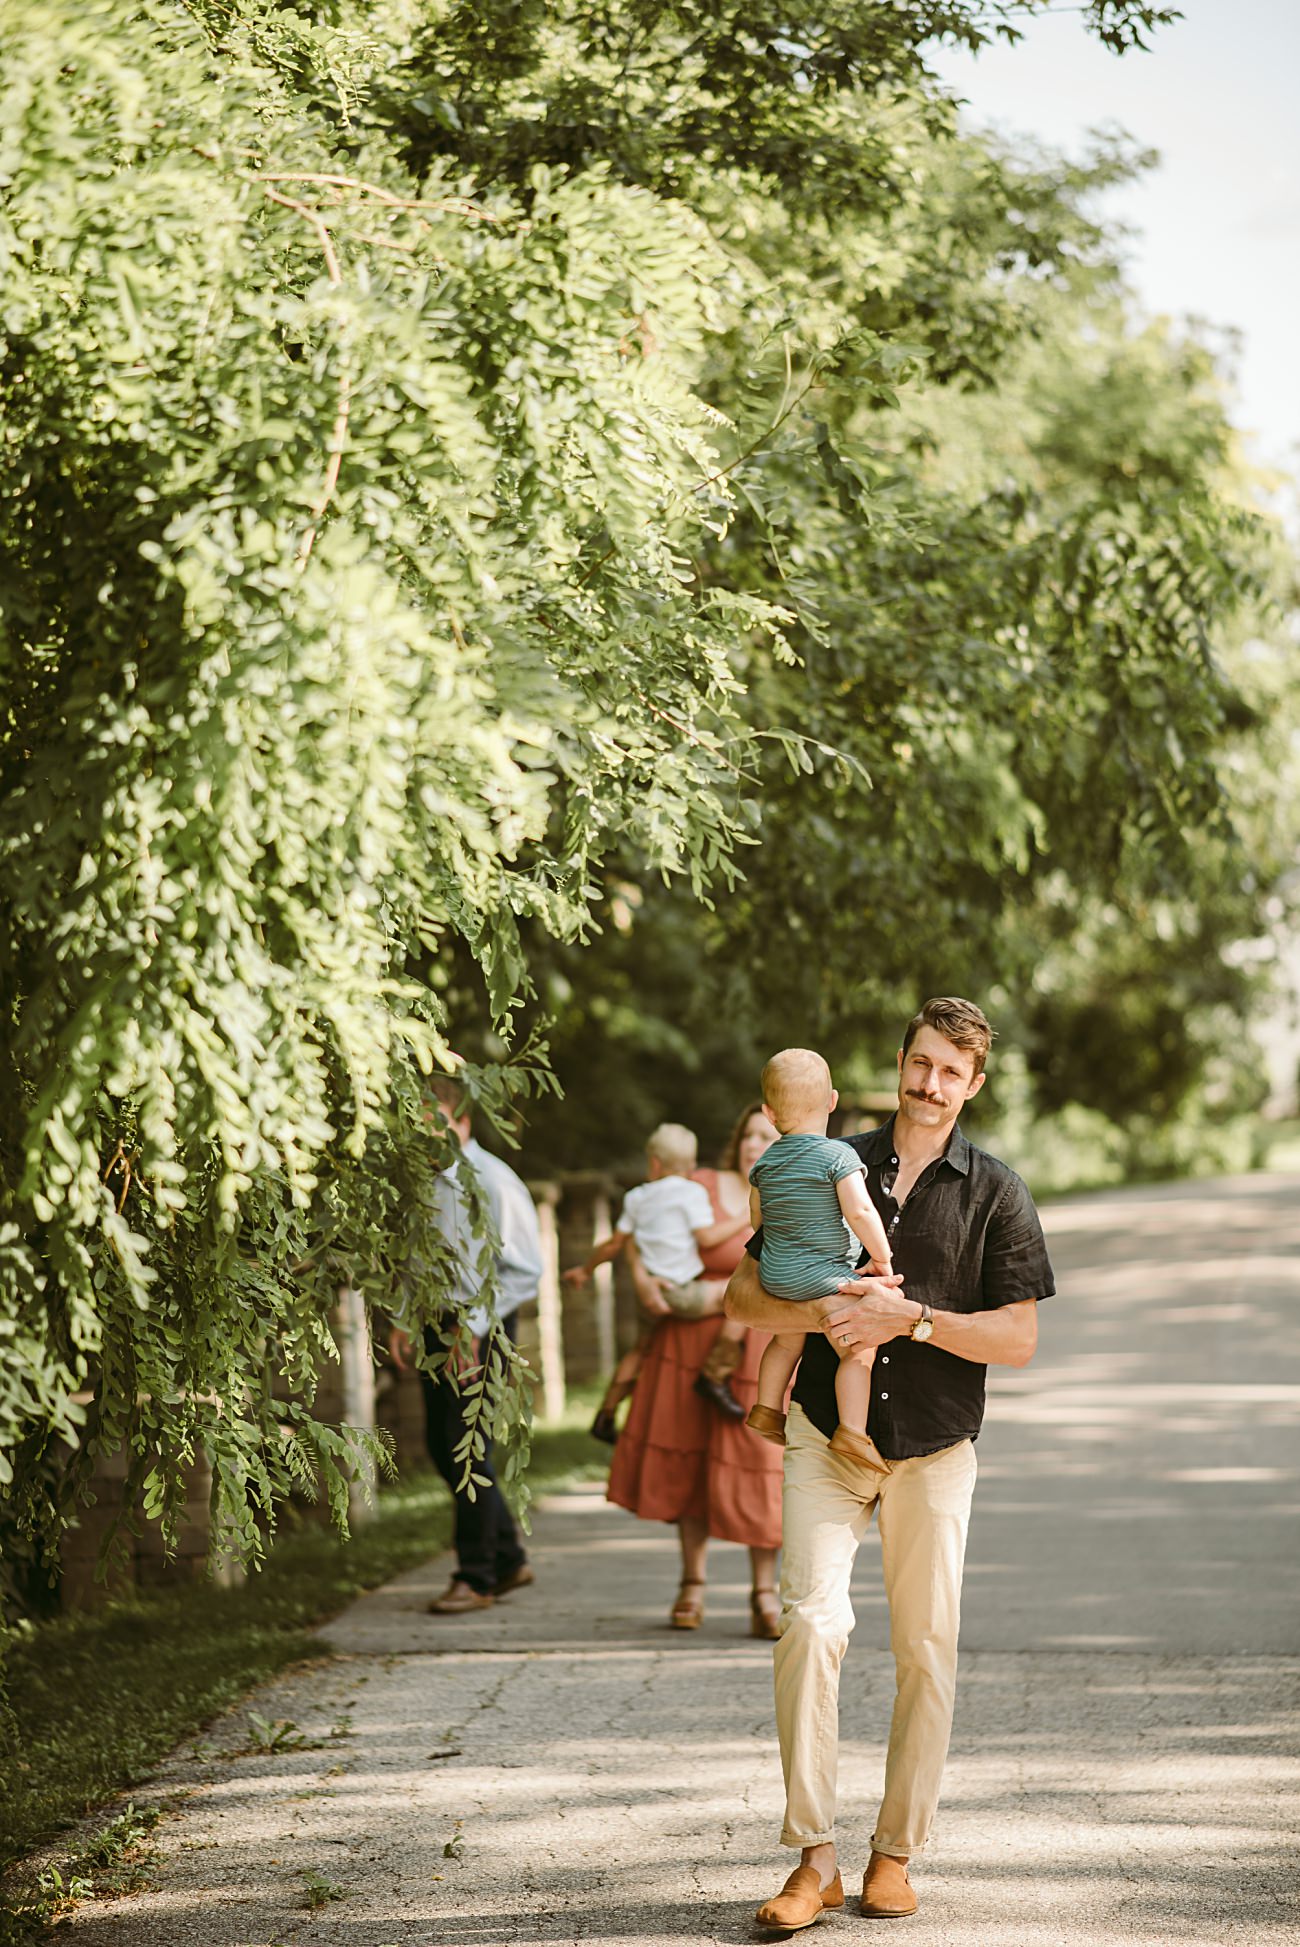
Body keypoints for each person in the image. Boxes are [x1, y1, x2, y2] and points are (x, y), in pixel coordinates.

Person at [725, 998, 1054, 1929]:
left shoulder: (996, 1191)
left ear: (974, 1083)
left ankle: (894, 1854)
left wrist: (907, 1317)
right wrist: (833, 1315)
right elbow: (744, 1294)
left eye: (952, 1070)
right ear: (899, 1062)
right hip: (826, 1436)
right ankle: (813, 1858)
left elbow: (1019, 1337)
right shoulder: (822, 1154)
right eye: (920, 1062)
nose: (930, 1083)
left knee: (925, 1651)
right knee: (808, 1628)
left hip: (936, 1447)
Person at [606, 1102, 787, 1636]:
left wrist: (717, 1297)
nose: (755, 1143)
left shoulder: (788, 1191)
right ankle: (692, 1584)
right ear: (735, 1141)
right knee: (690, 1460)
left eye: (767, 1135)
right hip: (685, 1345)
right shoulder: (699, 1184)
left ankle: (763, 1593)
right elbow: (641, 1226)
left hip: (752, 1349)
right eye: (748, 1134)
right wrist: (640, 1279)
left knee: (757, 1466)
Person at [388, 1075, 542, 1616]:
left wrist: (469, 1329)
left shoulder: (494, 1182)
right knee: (438, 1442)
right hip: (435, 1324)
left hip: (482, 1327)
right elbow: (417, 1259)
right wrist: (406, 1321)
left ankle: (475, 1576)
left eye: (437, 1126)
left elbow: (525, 1271)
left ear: (462, 1124)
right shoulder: (423, 1184)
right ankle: (508, 1557)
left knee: (468, 1447)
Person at [744, 1049, 895, 1474]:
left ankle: (767, 1408)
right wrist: (882, 1258)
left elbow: (757, 1220)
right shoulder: (838, 1157)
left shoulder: (764, 1164)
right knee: (860, 1348)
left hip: (775, 1275)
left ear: (769, 1113)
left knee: (787, 1339)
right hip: (823, 1275)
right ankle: (851, 1430)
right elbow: (861, 1213)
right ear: (831, 1101)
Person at [566, 1122, 751, 1441]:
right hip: (681, 1293)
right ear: (691, 1166)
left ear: (653, 1162)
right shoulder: (692, 1192)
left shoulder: (637, 1197)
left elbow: (614, 1243)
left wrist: (585, 1270)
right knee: (745, 1294)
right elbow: (706, 1238)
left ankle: (606, 1413)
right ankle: (714, 1376)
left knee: (639, 1349)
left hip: (649, 1293)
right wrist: (746, 1217)